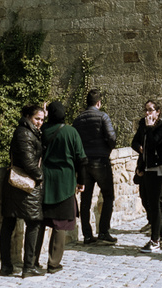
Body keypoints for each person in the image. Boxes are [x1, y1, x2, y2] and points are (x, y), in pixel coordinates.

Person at [35, 101, 87, 273]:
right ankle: (53, 263)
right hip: (65, 183)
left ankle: (33, 261)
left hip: (45, 181)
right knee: (60, 224)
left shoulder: (41, 131)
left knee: (40, 223)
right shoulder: (71, 132)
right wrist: (81, 181)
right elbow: (81, 159)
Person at [0, 103, 45, 278]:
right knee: (33, 223)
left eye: (42, 119)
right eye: (37, 119)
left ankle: (7, 266)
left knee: (9, 223)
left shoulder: (27, 131)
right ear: (28, 117)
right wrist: (40, 176)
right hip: (25, 185)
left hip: (16, 186)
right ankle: (27, 266)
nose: (40, 122)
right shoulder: (24, 133)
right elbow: (28, 162)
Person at [73, 89, 117, 245]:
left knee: (85, 199)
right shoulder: (102, 116)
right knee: (108, 195)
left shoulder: (78, 120)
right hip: (100, 160)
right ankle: (104, 231)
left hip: (84, 163)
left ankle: (87, 235)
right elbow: (112, 138)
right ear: (99, 103)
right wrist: (107, 149)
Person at [131, 99, 162, 251]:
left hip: (159, 168)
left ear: (157, 112)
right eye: (146, 110)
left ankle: (155, 239)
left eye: (150, 110)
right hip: (147, 166)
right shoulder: (143, 124)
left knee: (155, 204)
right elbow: (135, 142)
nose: (147, 113)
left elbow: (155, 143)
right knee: (148, 201)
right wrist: (141, 161)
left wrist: (149, 129)